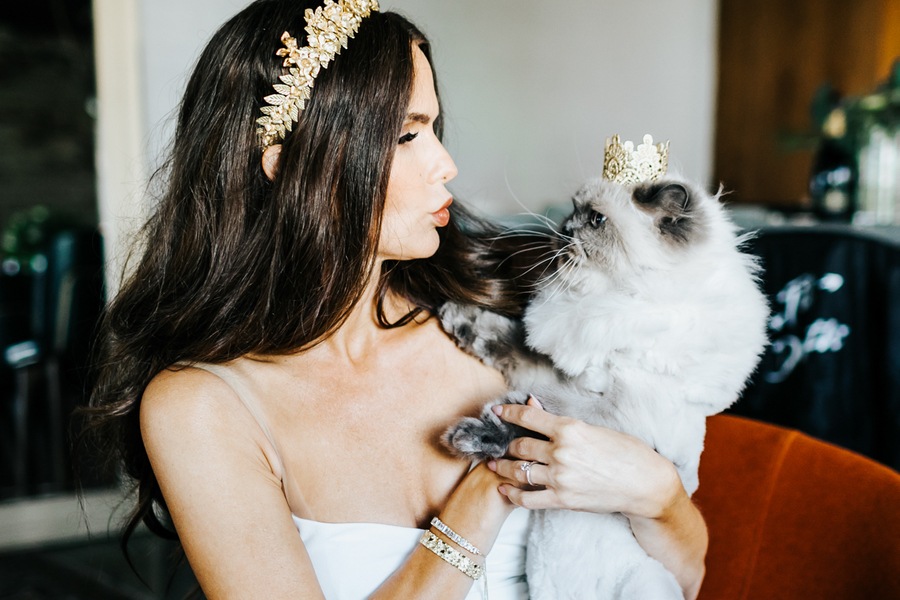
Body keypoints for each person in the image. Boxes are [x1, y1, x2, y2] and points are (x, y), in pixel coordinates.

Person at [82, 0, 708, 598]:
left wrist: (658, 494)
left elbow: (683, 578)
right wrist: (482, 494)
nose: (446, 165)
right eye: (407, 137)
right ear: (287, 162)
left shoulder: (506, 315)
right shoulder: (203, 406)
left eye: (433, 126)